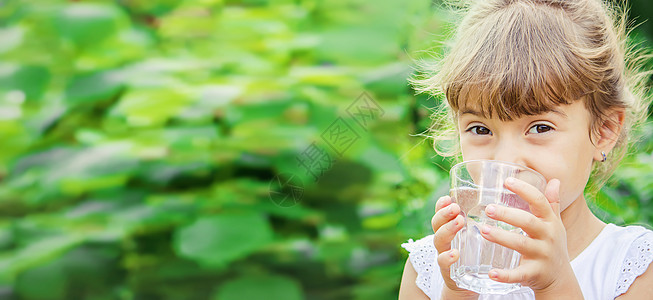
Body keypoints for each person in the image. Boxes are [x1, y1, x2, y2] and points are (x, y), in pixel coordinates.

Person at [398, 0, 653, 299]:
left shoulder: (632, 267)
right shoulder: (428, 267)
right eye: (481, 129)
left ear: (604, 131)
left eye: (540, 128)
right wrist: (459, 290)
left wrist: (555, 284)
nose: (506, 160)